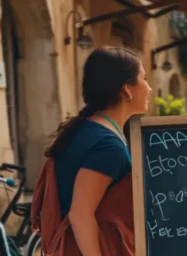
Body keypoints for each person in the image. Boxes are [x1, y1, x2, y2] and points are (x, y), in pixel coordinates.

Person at [31, 46, 152, 255]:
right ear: (126, 89)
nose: (149, 88)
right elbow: (80, 214)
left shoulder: (88, 129)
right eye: (144, 78)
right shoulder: (107, 145)